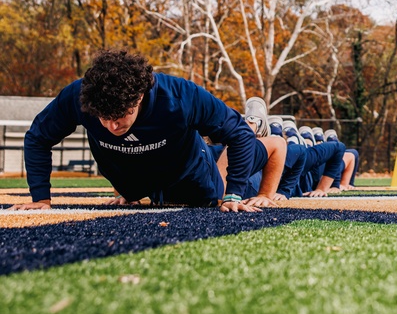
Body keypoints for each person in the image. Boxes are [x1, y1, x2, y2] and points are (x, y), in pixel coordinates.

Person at [11, 49, 261, 212]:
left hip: (190, 176)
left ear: (140, 97)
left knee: (231, 194)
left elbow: (239, 134)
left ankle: (269, 137)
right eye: (103, 119)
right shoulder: (76, 96)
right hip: (133, 183)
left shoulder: (181, 96)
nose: (112, 126)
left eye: (120, 116)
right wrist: (41, 199)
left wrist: (235, 194)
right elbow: (37, 138)